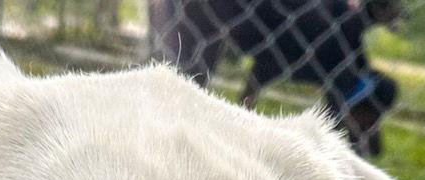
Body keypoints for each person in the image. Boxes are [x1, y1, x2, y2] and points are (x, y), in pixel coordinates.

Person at [150, 0, 401, 155]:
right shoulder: (338, 51)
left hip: (244, 20)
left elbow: (263, 71)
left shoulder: (344, 52)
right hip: (234, 14)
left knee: (179, 77)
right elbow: (264, 69)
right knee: (181, 80)